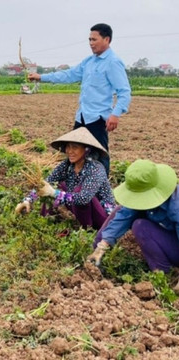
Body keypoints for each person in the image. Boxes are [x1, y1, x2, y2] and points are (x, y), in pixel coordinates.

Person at [27, 23, 131, 176]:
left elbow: (125, 92)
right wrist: (41, 77)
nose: (91, 43)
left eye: (94, 40)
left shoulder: (113, 62)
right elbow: (68, 75)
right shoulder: (89, 61)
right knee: (75, 153)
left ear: (107, 39)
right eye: (89, 39)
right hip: (82, 117)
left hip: (97, 119)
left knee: (99, 156)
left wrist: (115, 114)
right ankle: (75, 187)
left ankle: (103, 192)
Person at [87, 160, 179, 289]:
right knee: (121, 210)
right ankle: (94, 257)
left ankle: (163, 276)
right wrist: (102, 245)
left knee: (141, 227)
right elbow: (123, 216)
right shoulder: (142, 195)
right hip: (166, 237)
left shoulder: (176, 204)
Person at [15, 127, 115, 230]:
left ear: (87, 150)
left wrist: (54, 193)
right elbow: (46, 184)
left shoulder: (96, 168)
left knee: (76, 191)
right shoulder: (66, 165)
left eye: (75, 147)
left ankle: (87, 231)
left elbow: (84, 198)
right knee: (54, 186)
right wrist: (27, 200)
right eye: (68, 147)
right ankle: (46, 223)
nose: (70, 151)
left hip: (103, 219)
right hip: (80, 211)